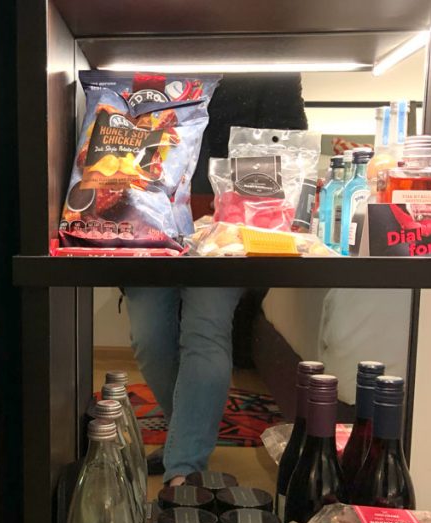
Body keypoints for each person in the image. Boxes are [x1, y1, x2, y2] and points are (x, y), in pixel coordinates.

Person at [124, 73, 308, 485]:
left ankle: (184, 469)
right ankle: (182, 439)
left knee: (205, 329)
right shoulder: (154, 49)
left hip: (232, 215)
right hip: (148, 213)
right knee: (148, 336)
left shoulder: (266, 60)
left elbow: (289, 143)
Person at [123, 287, 246, 485]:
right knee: (148, 340)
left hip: (216, 261)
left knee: (206, 333)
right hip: (153, 259)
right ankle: (184, 435)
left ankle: (185, 473)